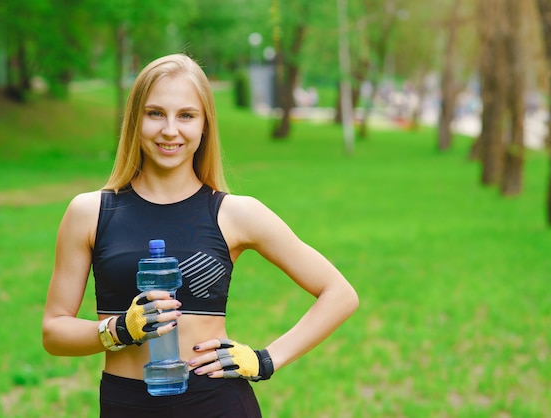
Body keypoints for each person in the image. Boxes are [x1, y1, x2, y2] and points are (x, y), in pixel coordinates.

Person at [42, 53, 358, 418]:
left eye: (187, 115)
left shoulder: (235, 213)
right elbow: (54, 331)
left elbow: (339, 294)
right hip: (124, 404)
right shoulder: (89, 212)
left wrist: (265, 360)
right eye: (155, 113)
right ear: (134, 120)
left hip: (216, 403)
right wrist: (117, 329)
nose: (170, 130)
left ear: (205, 125)